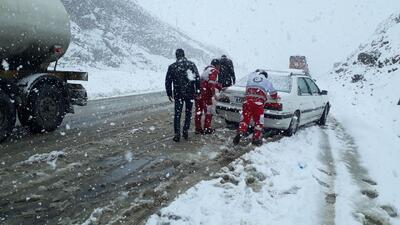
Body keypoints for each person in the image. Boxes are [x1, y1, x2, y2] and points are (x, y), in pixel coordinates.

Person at [233, 70, 279, 146]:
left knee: (245, 119)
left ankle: (241, 131)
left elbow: (247, 91)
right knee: (258, 122)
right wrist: (275, 97)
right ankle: (256, 139)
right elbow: (273, 94)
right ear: (265, 76)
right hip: (258, 103)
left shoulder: (251, 79)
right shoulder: (266, 81)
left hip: (247, 102)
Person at [165, 49, 200, 142]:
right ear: (184, 55)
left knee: (177, 114)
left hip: (178, 93)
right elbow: (197, 78)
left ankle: (177, 134)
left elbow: (168, 81)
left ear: (176, 56)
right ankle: (185, 130)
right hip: (190, 93)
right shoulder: (191, 64)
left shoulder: (172, 66)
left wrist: (169, 93)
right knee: (188, 113)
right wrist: (198, 90)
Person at [195, 59, 221, 134]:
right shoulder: (213, 70)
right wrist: (214, 94)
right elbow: (211, 83)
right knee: (209, 111)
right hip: (206, 95)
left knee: (198, 111)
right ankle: (207, 128)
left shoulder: (205, 70)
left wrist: (219, 86)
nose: (219, 68)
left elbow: (205, 81)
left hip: (199, 93)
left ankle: (198, 129)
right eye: (219, 66)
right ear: (217, 65)